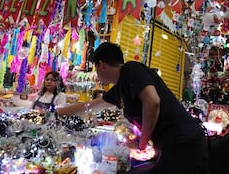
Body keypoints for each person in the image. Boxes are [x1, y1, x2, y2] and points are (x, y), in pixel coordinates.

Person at [56, 42, 208, 174]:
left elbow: (153, 101)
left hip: (182, 141)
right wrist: (57, 113)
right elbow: (90, 105)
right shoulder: (119, 88)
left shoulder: (131, 69)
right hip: (171, 142)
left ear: (101, 65)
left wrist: (142, 143)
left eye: (95, 68)